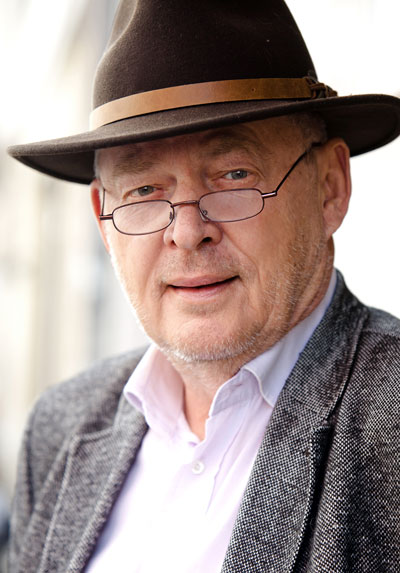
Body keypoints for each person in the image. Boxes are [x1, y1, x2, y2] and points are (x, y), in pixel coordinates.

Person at [7, 0, 400, 571]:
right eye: (144, 190)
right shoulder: (61, 427)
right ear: (103, 219)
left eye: (234, 175)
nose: (188, 232)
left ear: (330, 188)